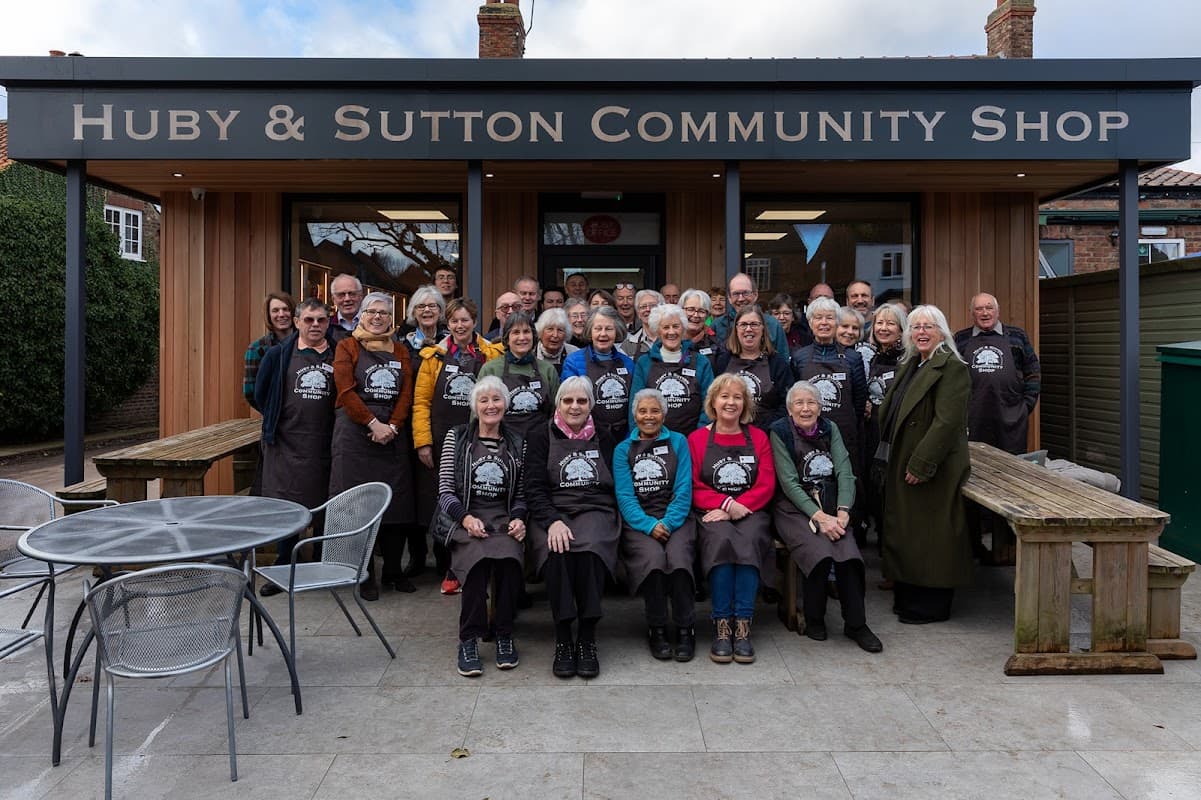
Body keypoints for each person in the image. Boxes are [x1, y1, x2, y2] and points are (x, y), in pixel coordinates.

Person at [770, 381, 882, 653]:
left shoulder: (830, 429)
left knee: (849, 555)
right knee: (819, 553)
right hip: (793, 509)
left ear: (820, 407)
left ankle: (856, 624)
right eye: (799, 403)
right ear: (790, 408)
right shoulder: (780, 432)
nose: (806, 408)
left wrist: (843, 511)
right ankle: (814, 617)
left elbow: (845, 472)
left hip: (832, 504)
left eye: (811, 403)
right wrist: (820, 517)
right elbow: (789, 483)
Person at [878, 305, 973, 624]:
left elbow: (946, 423)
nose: (920, 332)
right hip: (904, 456)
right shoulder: (913, 363)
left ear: (942, 332)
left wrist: (921, 464)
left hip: (931, 467)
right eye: (915, 327)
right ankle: (908, 598)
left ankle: (930, 604)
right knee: (909, 533)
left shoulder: (951, 367)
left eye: (928, 327)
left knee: (931, 536)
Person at [525, 377, 620, 679]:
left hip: (596, 509)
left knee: (590, 550)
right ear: (558, 404)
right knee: (558, 552)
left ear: (591, 404)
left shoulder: (606, 436)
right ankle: (564, 636)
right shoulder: (540, 435)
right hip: (553, 510)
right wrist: (552, 520)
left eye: (581, 401)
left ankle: (588, 636)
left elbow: (616, 484)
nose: (575, 407)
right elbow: (534, 487)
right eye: (568, 401)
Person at [413, 298, 505, 594]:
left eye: (465, 320)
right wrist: (423, 441)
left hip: (480, 437)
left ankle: (474, 563)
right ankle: (447, 565)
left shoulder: (492, 354)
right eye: (454, 321)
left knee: (476, 496)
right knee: (443, 499)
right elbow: (421, 402)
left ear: (474, 322)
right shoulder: (433, 357)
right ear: (447, 323)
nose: (460, 325)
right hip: (442, 437)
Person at [329, 292, 416, 600]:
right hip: (356, 435)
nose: (377, 317)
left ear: (391, 319)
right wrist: (372, 424)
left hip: (393, 433)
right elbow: (345, 390)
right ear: (362, 315)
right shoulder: (347, 346)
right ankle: (365, 573)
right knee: (359, 509)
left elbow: (407, 393)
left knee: (397, 506)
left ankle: (393, 570)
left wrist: (392, 425)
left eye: (383, 313)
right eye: (372, 312)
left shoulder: (401, 350)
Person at [439, 375, 528, 677]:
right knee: (476, 564)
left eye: (497, 399)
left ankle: (504, 633)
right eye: (484, 400)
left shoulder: (517, 442)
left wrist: (518, 518)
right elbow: (445, 491)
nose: (491, 405)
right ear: (475, 406)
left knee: (509, 560)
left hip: (502, 518)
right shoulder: (458, 436)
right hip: (465, 517)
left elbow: (522, 494)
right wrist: (465, 518)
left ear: (506, 403)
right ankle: (468, 638)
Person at [689, 374, 776, 664]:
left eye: (737, 397)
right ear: (713, 401)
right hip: (711, 513)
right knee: (722, 541)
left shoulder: (759, 438)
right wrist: (724, 504)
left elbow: (766, 483)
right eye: (724, 396)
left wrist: (736, 507)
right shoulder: (698, 439)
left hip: (751, 511)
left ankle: (743, 625)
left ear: (745, 403)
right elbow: (692, 485)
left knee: (749, 541)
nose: (731, 402)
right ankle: (722, 625)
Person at [254, 298, 337, 594]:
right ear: (298, 321)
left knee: (324, 507)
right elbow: (260, 394)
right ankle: (281, 569)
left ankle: (318, 565)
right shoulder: (278, 355)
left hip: (325, 444)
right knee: (286, 508)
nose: (315, 325)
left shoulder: (339, 354)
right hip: (286, 444)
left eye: (321, 320)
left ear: (329, 323)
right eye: (309, 320)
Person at [615, 389, 697, 661]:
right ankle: (657, 628)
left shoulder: (679, 442)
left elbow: (684, 488)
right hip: (639, 520)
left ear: (664, 414)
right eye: (642, 411)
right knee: (652, 560)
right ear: (634, 414)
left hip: (676, 516)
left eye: (655, 411)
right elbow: (625, 496)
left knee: (679, 558)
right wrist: (649, 525)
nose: (649, 417)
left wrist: (670, 521)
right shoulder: (622, 449)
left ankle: (686, 628)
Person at [398, 285, 449, 579]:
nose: (427, 311)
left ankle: (444, 557)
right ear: (412, 312)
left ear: (441, 312)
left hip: (440, 428)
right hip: (407, 428)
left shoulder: (449, 343)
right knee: (413, 495)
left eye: (433, 306)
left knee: (439, 493)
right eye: (421, 306)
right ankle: (417, 557)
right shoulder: (402, 344)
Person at [791, 297, 868, 484]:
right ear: (810, 322)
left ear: (837, 322)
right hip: (808, 437)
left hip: (844, 436)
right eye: (818, 318)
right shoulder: (799, 357)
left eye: (829, 318)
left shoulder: (852, 358)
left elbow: (859, 401)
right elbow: (792, 398)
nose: (824, 323)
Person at [952, 292, 1041, 454]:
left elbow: (1033, 371)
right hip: (973, 418)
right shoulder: (960, 339)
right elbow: (951, 377)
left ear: (997, 311)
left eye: (989, 308)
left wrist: (1026, 406)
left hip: (1011, 419)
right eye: (979, 309)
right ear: (972, 313)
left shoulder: (1017, 336)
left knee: (1011, 468)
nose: (985, 313)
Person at [863, 303, 907, 585]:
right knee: (877, 498)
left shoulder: (907, 359)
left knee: (894, 502)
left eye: (890, 324)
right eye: (879, 323)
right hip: (872, 435)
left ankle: (897, 568)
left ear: (902, 329)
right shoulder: (872, 357)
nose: (884, 328)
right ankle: (886, 561)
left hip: (896, 438)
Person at [631, 304, 714, 434]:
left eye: (676, 326)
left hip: (691, 440)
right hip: (652, 440)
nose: (671, 332)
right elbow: (634, 406)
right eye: (665, 327)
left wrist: (699, 436)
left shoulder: (701, 362)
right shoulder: (644, 362)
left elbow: (709, 404)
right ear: (658, 330)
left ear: (683, 329)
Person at [479, 312, 559, 439]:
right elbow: (478, 413)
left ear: (533, 336)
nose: (522, 337)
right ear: (506, 338)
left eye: (526, 331)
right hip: (502, 444)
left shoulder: (548, 370)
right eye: (516, 332)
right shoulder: (491, 370)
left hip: (540, 444)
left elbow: (556, 413)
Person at [561, 306, 635, 442]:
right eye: (598, 328)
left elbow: (634, 404)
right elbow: (570, 404)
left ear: (617, 332)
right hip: (589, 438)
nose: (603, 334)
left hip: (624, 438)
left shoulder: (628, 363)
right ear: (590, 331)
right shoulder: (574, 361)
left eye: (608, 329)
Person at [714, 306, 791, 430]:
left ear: (763, 329)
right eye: (743, 324)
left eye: (754, 324)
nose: (748, 329)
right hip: (728, 431)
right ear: (736, 329)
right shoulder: (723, 361)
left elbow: (786, 403)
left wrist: (767, 429)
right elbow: (713, 398)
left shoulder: (777, 363)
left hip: (767, 435)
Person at [712, 273, 789, 357]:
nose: (741, 298)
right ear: (729, 298)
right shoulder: (717, 325)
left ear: (755, 295)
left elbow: (783, 362)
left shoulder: (773, 325)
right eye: (736, 294)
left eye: (745, 293)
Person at [243, 291, 295, 407]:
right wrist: (271, 413)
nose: (281, 314)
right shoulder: (257, 349)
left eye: (285, 309)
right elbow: (250, 392)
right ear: (268, 315)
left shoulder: (306, 343)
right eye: (275, 310)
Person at [680, 289, 721, 368]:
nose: (695, 315)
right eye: (690, 309)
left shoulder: (715, 344)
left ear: (707, 315)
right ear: (680, 311)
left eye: (701, 311)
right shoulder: (669, 339)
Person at [621, 289, 663, 359]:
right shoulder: (628, 345)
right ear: (638, 313)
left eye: (652, 306)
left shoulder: (670, 338)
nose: (648, 309)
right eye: (643, 307)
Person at [535, 307, 578, 374]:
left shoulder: (575, 354)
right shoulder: (531, 354)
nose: (555, 335)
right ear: (540, 332)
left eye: (560, 330)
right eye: (550, 329)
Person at [328, 273, 364, 342]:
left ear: (361, 296)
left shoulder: (374, 325)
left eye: (352, 293)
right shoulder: (326, 327)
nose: (347, 299)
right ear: (333, 300)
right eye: (341, 295)